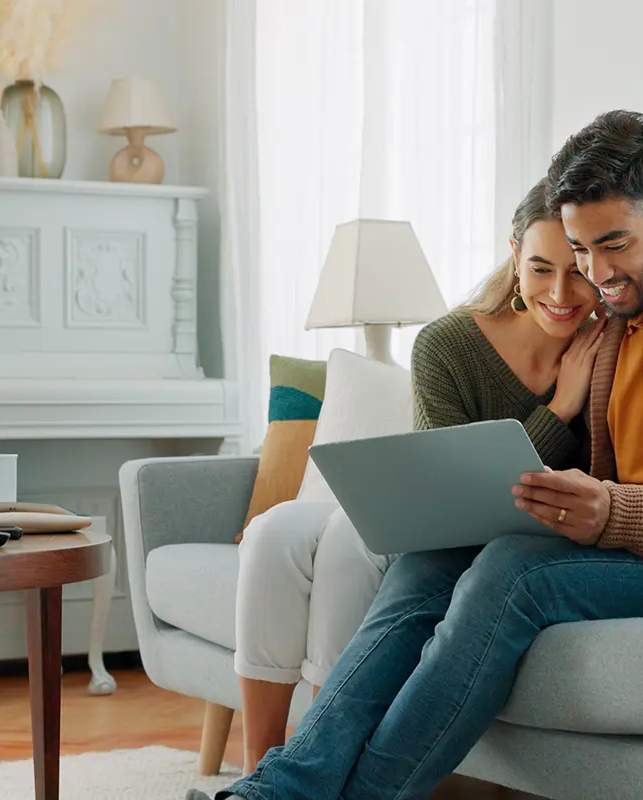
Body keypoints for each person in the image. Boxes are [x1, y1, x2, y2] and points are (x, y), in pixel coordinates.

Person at [196, 110, 643, 800]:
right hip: (629, 545)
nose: (595, 274)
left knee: (513, 571)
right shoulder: (620, 310)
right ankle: (279, 789)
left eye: (613, 246)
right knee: (432, 558)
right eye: (579, 249)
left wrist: (611, 512)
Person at [230, 177, 604, 775]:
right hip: (434, 522)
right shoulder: (449, 343)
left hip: (500, 542)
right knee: (275, 531)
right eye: (540, 268)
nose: (560, 292)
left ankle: (317, 770)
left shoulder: (607, 349)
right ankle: (261, 767)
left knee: (350, 547)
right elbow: (450, 499)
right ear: (514, 257)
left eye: (577, 270)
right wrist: (558, 411)